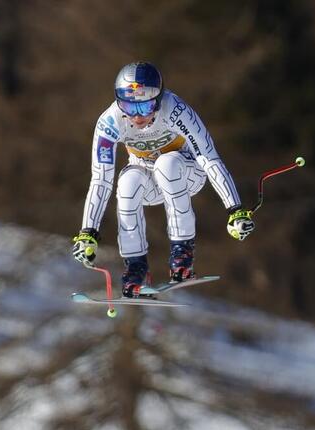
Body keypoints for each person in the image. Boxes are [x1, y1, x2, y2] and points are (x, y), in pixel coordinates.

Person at [71, 61, 255, 296]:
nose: (137, 117)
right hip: (150, 182)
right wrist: (88, 231)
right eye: (129, 106)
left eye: (145, 107)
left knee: (165, 164)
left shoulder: (175, 109)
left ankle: (182, 255)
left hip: (186, 173)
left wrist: (235, 208)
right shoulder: (109, 122)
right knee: (127, 181)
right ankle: (136, 268)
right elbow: (100, 180)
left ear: (158, 100)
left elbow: (209, 158)